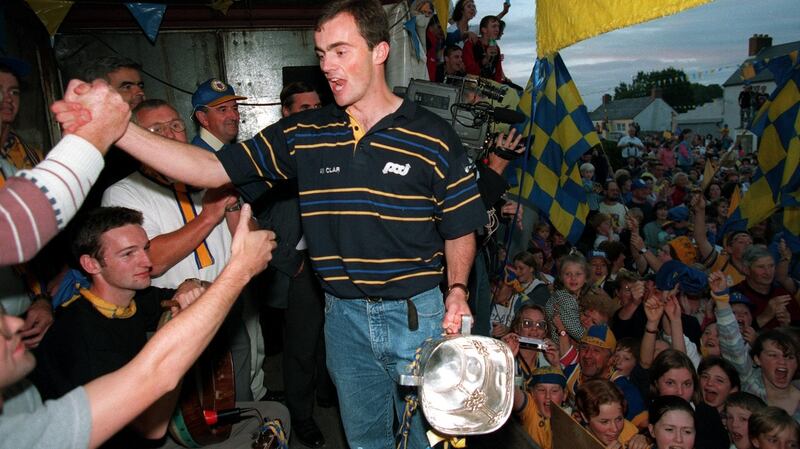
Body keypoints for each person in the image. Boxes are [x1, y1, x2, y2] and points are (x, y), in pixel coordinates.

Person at [54, 1, 526, 447]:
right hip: (343, 319)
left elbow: (459, 223)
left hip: (416, 315)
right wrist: (116, 129)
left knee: (431, 437)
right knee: (365, 439)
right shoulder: (306, 132)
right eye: (322, 54)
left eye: (341, 51)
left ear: (379, 51)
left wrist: (458, 289)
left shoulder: (431, 133)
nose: (327, 65)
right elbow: (208, 170)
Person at [0, 201, 280, 449]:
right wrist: (175, 329)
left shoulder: (135, 299)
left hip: (149, 420)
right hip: (132, 435)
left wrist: (192, 284)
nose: (147, 261)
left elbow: (216, 306)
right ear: (91, 264)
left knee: (274, 415)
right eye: (128, 254)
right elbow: (151, 428)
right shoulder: (79, 335)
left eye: (145, 248)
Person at [100, 99, 259, 403]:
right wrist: (209, 216)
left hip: (226, 307)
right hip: (174, 317)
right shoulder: (123, 192)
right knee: (184, 412)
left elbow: (248, 243)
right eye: (157, 129)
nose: (171, 134)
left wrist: (233, 202)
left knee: (237, 403)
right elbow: (151, 261)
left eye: (176, 126)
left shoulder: (206, 176)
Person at [2, 79, 130, 266]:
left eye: (13, 92)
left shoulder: (19, 157)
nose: (5, 99)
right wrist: (89, 138)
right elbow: (12, 230)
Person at [710, 271, 800, 420]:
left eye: (789, 356)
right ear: (757, 359)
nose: (782, 362)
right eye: (773, 355)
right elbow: (732, 345)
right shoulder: (749, 382)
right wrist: (721, 300)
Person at [646, 349, 731, 449]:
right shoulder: (645, 413)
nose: (680, 391)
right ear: (656, 383)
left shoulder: (707, 415)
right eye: (670, 383)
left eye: (687, 384)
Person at [574, 379, 642, 448]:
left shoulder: (627, 430)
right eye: (605, 422)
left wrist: (647, 441)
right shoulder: (572, 441)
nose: (615, 429)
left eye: (619, 419)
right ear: (585, 416)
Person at [513, 366, 568, 449]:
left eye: (554, 391)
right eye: (541, 390)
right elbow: (510, 392)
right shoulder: (530, 409)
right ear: (532, 393)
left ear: (564, 395)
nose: (548, 396)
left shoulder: (570, 419)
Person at [190, 78, 247, 152]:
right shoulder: (198, 156)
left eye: (235, 108)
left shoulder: (225, 150)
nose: (234, 116)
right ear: (203, 118)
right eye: (223, 110)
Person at [462, 15, 505, 82]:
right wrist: (486, 59)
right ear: (484, 30)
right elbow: (469, 71)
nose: (497, 29)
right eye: (494, 26)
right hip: (471, 83)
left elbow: (498, 72)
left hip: (490, 85)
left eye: (498, 26)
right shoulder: (471, 44)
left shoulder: (496, 48)